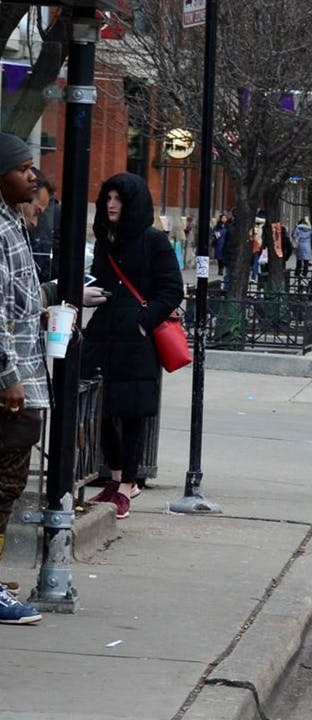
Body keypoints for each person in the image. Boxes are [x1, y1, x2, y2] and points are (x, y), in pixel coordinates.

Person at [0, 134, 105, 624]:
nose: (33, 176)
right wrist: (8, 376)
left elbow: (16, 299)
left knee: (10, 485)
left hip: (26, 374)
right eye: (23, 168)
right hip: (12, 382)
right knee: (3, 486)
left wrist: (41, 309)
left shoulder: (14, 223)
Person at [82, 173, 183, 521]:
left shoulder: (154, 241)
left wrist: (143, 321)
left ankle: (128, 482)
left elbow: (172, 289)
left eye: (119, 199)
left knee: (132, 412)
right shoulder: (106, 241)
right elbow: (98, 278)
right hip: (105, 334)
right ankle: (112, 476)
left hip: (136, 340)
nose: (111, 204)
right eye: (107, 197)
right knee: (103, 407)